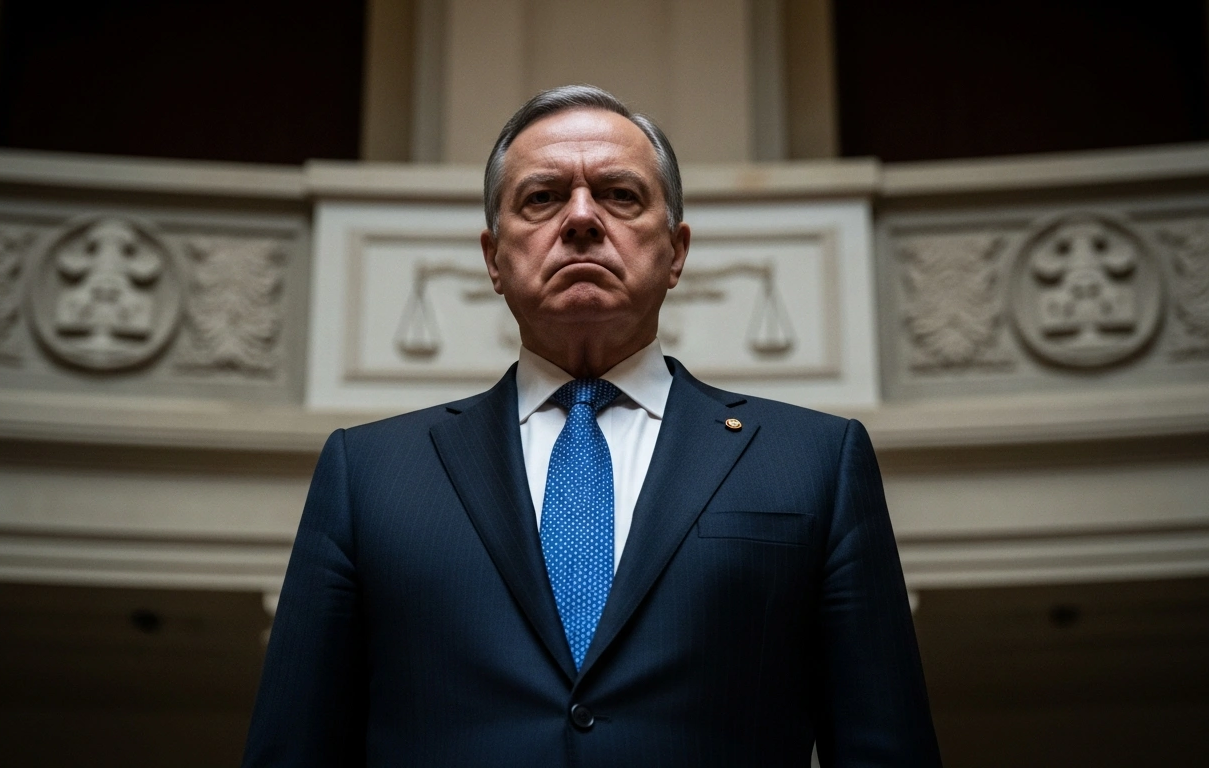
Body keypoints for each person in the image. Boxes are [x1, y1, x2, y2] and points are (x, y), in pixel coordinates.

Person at [242, 85, 941, 767]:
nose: (580, 219)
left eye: (620, 195)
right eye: (542, 197)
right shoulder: (368, 474)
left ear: (676, 252)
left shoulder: (814, 461)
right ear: (493, 258)